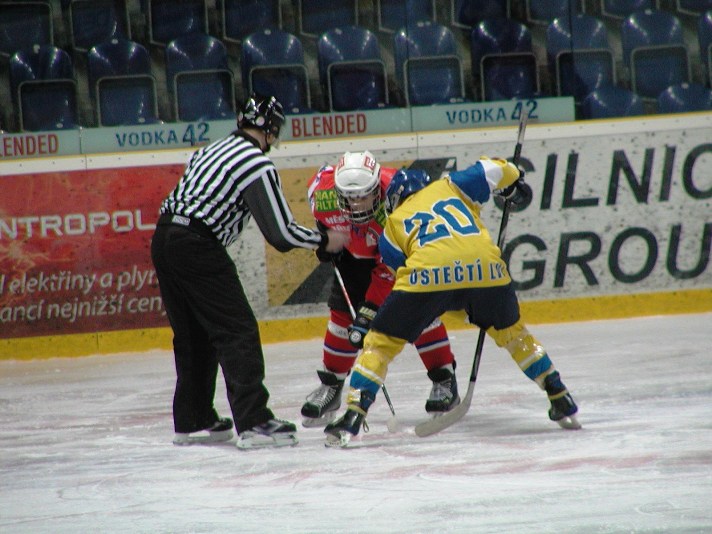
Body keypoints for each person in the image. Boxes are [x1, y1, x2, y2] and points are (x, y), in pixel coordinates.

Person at [324, 159, 580, 446]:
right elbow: (495, 168)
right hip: (489, 273)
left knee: (380, 345)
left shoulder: (392, 226)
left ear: (394, 200)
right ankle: (559, 393)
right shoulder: (451, 186)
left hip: (427, 278)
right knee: (514, 335)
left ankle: (353, 415)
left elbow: (411, 281)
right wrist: (512, 184)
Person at [150, 94, 349, 450]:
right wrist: (325, 240)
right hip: (198, 243)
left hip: (164, 238)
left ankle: (193, 418)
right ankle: (254, 421)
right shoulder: (256, 163)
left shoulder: (209, 151)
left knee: (193, 335)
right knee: (237, 330)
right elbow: (281, 234)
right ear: (270, 130)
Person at [301, 151, 459, 427]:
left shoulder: (399, 198)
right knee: (342, 316)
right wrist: (326, 238)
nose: (356, 204)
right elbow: (317, 185)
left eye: (363, 196)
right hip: (354, 255)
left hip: (399, 256)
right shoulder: (323, 195)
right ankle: (332, 385)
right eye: (349, 198)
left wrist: (370, 311)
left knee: (419, 313)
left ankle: (444, 379)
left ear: (377, 189)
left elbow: (388, 269)